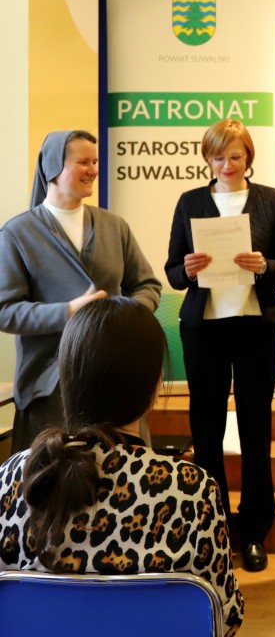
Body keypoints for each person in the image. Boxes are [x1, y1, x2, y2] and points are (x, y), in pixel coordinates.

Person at [0, 296, 250, 637]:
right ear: (155, 384)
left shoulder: (14, 479)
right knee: (201, 631)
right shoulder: (188, 487)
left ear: (68, 376)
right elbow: (225, 619)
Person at [164, 120, 275, 573]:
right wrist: (187, 269)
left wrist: (264, 266)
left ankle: (255, 530)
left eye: (235, 156)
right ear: (207, 159)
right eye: (218, 157)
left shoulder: (270, 200)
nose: (227, 165)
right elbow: (173, 272)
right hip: (204, 329)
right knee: (206, 431)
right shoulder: (190, 201)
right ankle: (213, 529)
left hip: (255, 325)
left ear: (248, 157)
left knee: (257, 428)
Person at [0, 128, 161, 453]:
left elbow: (147, 285)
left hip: (116, 375)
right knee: (54, 475)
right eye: (83, 162)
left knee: (124, 472)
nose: (93, 170)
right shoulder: (18, 233)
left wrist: (121, 317)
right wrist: (69, 311)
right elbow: (6, 311)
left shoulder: (115, 226)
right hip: (51, 387)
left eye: (95, 162)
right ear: (52, 168)